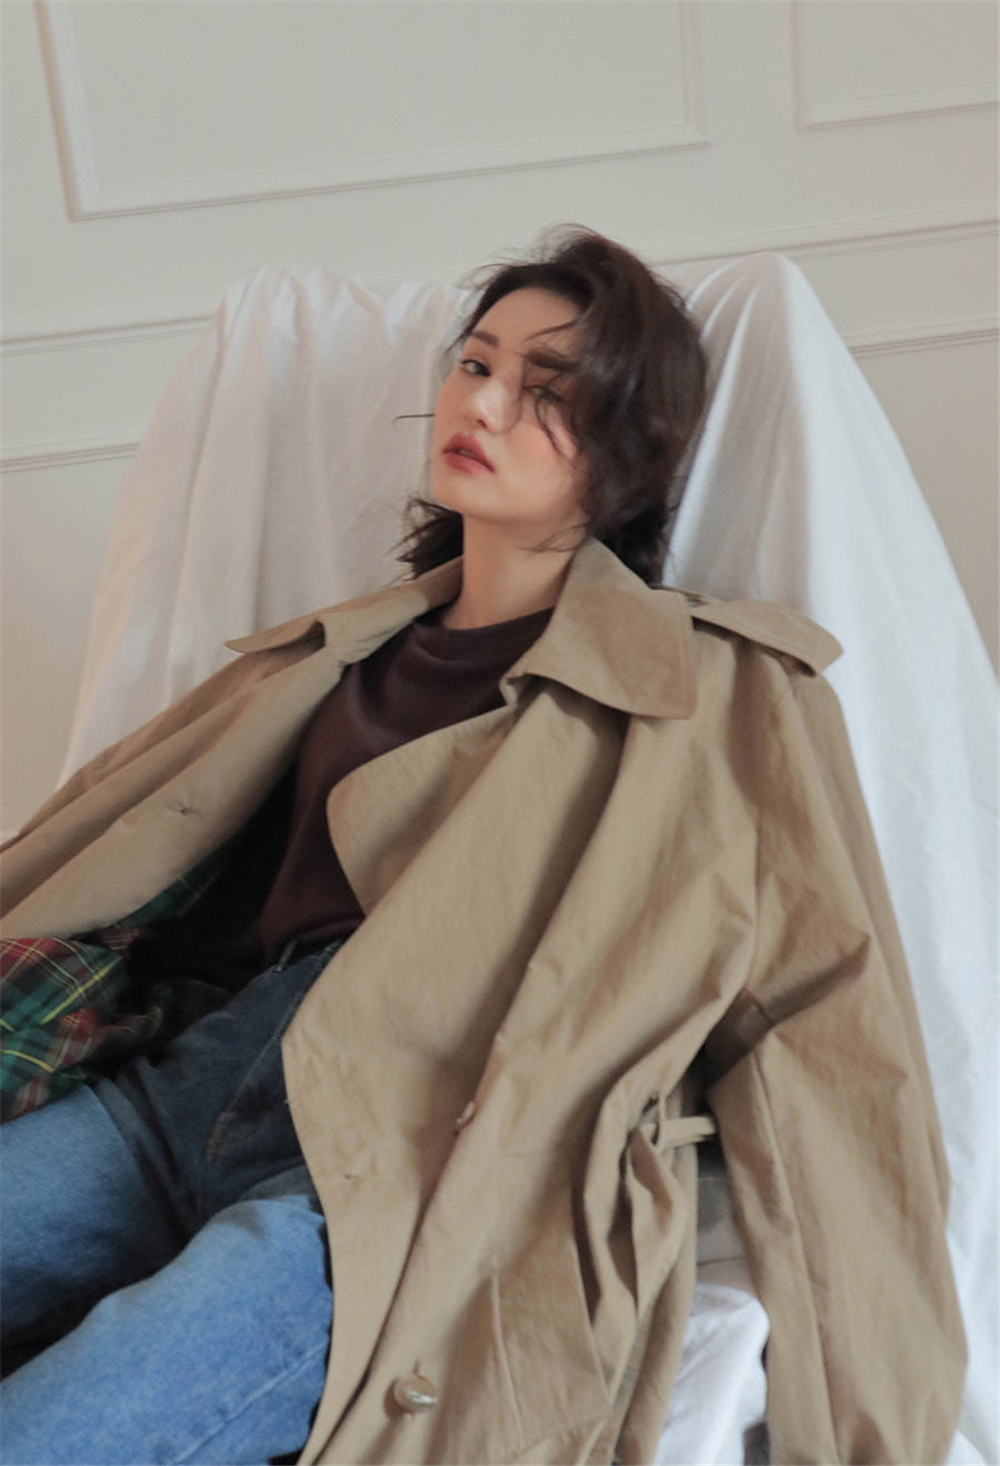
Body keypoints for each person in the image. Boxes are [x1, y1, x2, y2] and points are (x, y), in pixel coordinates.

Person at [0, 226, 965, 1465]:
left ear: (633, 446)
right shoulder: (323, 651)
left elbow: (823, 1040)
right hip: (170, 1091)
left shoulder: (716, 689)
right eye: (476, 362)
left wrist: (873, 1435)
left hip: (394, 1170)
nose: (485, 403)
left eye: (548, 388)